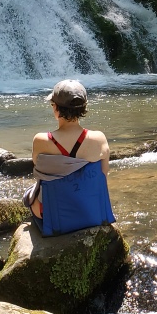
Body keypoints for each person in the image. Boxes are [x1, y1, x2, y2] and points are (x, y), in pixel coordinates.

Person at [23, 79, 114, 236]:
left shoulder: (41, 140)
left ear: (55, 107)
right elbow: (103, 173)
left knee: (29, 195)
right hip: (92, 214)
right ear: (84, 107)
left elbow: (38, 169)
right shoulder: (99, 138)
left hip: (54, 219)